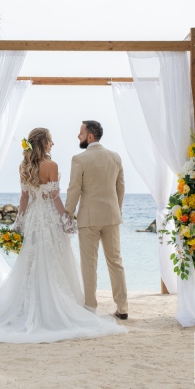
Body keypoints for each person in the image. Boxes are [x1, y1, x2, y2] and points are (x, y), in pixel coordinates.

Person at [0, 127, 126, 343]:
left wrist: (20, 222)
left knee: (32, 260)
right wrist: (65, 218)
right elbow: (54, 198)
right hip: (49, 218)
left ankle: (31, 303)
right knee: (55, 259)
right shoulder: (52, 166)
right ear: (43, 143)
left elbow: (24, 198)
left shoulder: (24, 166)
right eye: (50, 141)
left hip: (33, 218)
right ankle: (61, 306)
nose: (53, 144)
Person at [65, 120, 128, 320]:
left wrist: (68, 214)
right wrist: (115, 211)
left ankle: (91, 307)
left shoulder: (79, 159)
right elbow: (121, 188)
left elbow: (74, 189)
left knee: (89, 264)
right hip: (111, 216)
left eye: (81, 132)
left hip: (89, 218)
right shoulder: (115, 157)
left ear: (90, 136)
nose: (78, 136)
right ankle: (123, 307)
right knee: (115, 262)